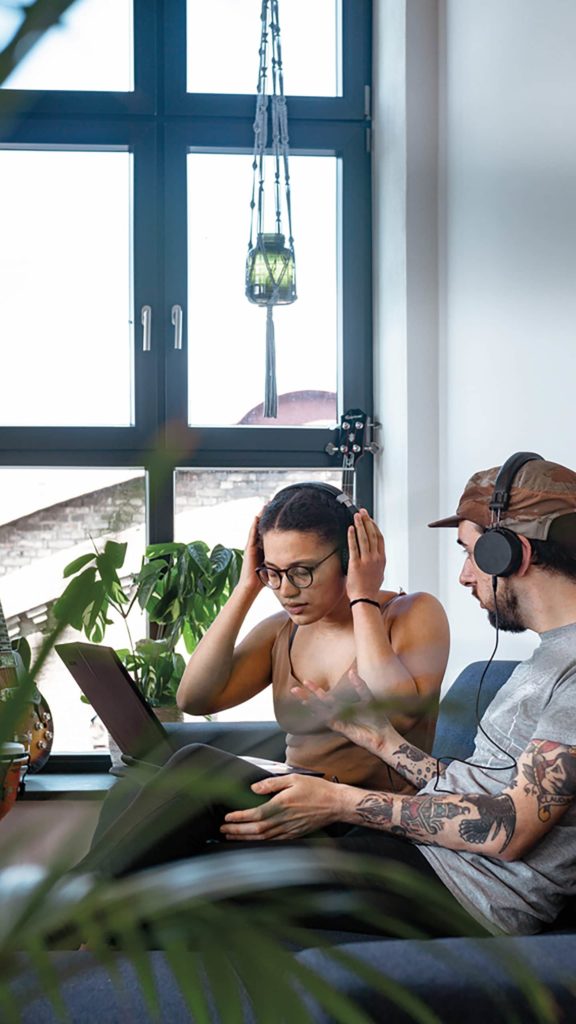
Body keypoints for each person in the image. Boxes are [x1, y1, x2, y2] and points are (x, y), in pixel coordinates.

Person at [220, 454, 576, 937]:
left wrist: (340, 802)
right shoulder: (547, 658)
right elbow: (481, 794)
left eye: (470, 554)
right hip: (436, 863)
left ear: (510, 556)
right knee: (209, 852)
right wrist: (380, 740)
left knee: (212, 884)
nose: (465, 576)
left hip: (469, 895)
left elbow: (510, 828)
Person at [78, 482, 449, 881]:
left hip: (363, 821)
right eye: (274, 572)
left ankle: (69, 906)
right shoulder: (281, 631)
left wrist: (363, 597)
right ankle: (86, 922)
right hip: (290, 801)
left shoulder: (412, 613)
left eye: (302, 572)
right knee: (135, 787)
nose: (286, 591)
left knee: (196, 764)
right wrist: (246, 588)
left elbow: (400, 715)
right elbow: (195, 697)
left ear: (349, 556)